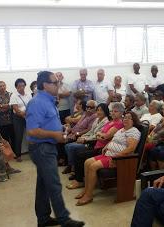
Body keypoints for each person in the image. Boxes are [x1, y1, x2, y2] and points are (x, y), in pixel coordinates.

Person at [26, 71, 84, 227]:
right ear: (45, 85)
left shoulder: (48, 100)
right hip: (42, 148)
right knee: (54, 184)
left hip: (47, 146)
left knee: (43, 184)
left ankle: (43, 218)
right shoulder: (37, 102)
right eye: (55, 82)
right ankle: (64, 219)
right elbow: (32, 130)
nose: (58, 85)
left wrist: (62, 129)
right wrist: (55, 134)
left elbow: (48, 122)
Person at [75, 111, 141, 206]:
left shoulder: (133, 131)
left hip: (119, 159)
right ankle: (86, 190)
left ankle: (89, 195)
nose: (125, 119)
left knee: (93, 166)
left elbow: (131, 148)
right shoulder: (121, 129)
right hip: (108, 154)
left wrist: (116, 157)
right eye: (125, 117)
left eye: (129, 118)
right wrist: (106, 146)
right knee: (87, 162)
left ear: (133, 121)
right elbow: (113, 140)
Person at [66, 102, 124, 189]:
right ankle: (80, 178)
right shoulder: (111, 122)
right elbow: (98, 134)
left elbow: (105, 136)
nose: (112, 113)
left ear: (121, 113)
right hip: (97, 144)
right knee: (77, 152)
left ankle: (80, 181)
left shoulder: (118, 123)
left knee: (79, 155)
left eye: (115, 111)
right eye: (112, 111)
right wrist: (99, 135)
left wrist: (99, 135)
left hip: (101, 147)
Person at [64, 103, 110, 174]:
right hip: (86, 137)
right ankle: (72, 166)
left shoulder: (106, 122)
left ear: (105, 111)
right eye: (97, 110)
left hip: (92, 142)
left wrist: (85, 139)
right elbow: (91, 131)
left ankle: (73, 168)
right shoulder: (97, 119)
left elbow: (96, 136)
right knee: (67, 145)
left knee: (71, 147)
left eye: (101, 110)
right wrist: (82, 137)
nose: (99, 112)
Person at [10, 78, 31, 162]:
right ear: (16, 87)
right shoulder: (14, 96)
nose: (21, 87)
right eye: (19, 86)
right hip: (18, 118)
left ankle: (33, 152)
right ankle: (18, 155)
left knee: (31, 135)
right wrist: (23, 115)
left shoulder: (28, 94)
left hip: (29, 116)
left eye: (23, 85)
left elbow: (31, 105)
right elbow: (15, 109)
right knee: (18, 137)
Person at [0, 81, 15, 152]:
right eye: (0, 86)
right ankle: (8, 154)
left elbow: (11, 106)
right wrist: (5, 106)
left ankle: (15, 153)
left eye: (3, 85)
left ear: (6, 86)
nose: (2, 87)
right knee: (5, 139)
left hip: (12, 120)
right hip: (2, 122)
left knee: (13, 137)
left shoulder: (10, 95)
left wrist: (0, 105)